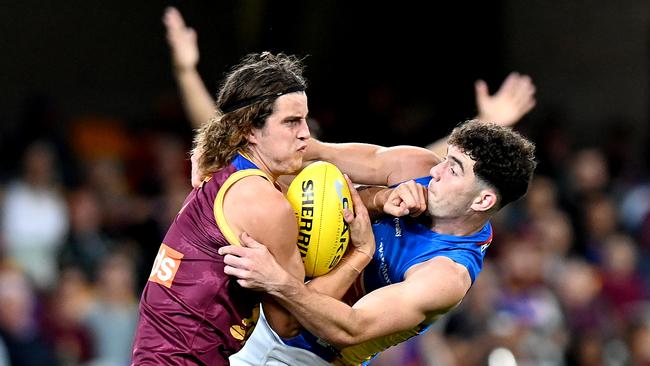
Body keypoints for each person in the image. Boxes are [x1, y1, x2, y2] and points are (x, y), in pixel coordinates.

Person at [220, 120, 537, 365]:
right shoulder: (417, 166)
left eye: (454, 169)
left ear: (482, 201)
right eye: (445, 159)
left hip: (300, 356)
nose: (436, 170)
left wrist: (276, 280)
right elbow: (313, 154)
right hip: (257, 313)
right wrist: (380, 197)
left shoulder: (445, 275)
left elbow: (350, 328)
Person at [131, 50, 377, 365]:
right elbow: (288, 323)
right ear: (249, 129)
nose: (305, 133)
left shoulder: (230, 169)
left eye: (304, 119)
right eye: (291, 122)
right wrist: (359, 255)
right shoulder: (265, 204)